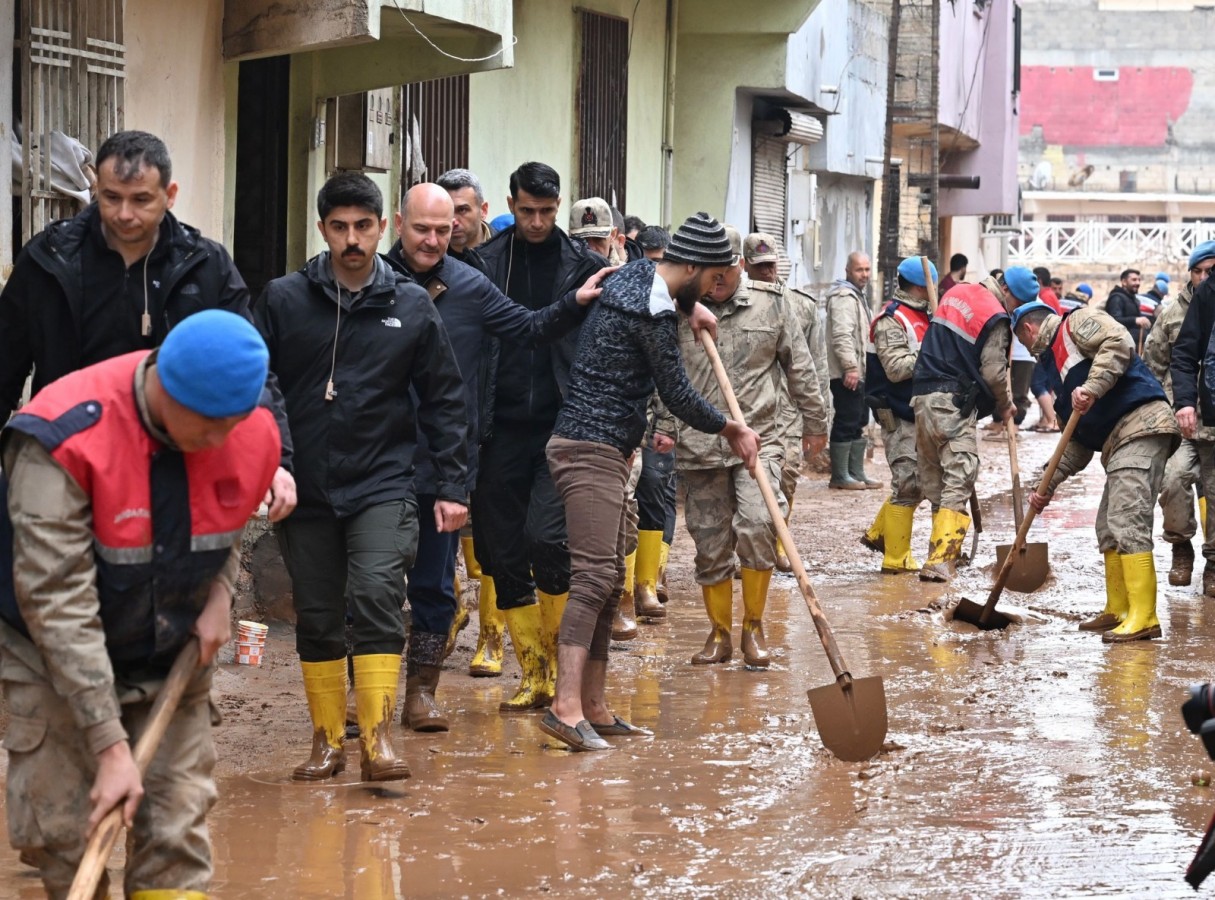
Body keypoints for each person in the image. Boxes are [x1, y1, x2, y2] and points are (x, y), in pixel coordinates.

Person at [0, 310, 281, 898]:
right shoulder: (61, 440)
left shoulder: (245, 432)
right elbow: (56, 602)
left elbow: (223, 526)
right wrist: (108, 743)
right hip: (50, 652)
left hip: (172, 640)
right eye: (204, 426)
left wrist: (222, 592)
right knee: (67, 836)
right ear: (164, 386)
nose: (218, 442)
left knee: (176, 833)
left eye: (230, 426)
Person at [255, 172, 469, 782]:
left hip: (383, 483)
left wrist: (453, 486)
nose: (352, 239)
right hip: (305, 484)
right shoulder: (284, 300)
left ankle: (377, 743)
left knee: (377, 594)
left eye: (363, 226)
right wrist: (273, 463)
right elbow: (259, 386)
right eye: (339, 227)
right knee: (319, 613)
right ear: (322, 229)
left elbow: (446, 400)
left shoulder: (409, 305)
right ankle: (326, 741)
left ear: (382, 228)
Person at [386, 183, 609, 721]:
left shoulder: (470, 283)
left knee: (438, 582)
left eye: (444, 229)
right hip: (380, 454)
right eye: (424, 229)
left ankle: (422, 693)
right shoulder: (370, 282)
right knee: (369, 581)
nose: (436, 239)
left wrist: (575, 301)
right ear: (399, 224)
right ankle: (360, 696)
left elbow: (529, 327)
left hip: (449, 458)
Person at [540, 213, 760, 751]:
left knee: (611, 579)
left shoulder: (636, 274)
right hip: (587, 447)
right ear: (691, 266)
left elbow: (665, 288)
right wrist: (731, 427)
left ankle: (593, 705)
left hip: (606, 447)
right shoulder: (652, 311)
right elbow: (678, 394)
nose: (718, 287)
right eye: (712, 279)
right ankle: (564, 707)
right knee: (593, 578)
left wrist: (694, 307)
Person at [0, 129, 296, 515]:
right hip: (69, 459)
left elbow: (249, 369)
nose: (124, 214)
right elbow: (5, 360)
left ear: (169, 195)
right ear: (97, 189)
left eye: (141, 200)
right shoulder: (49, 261)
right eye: (111, 198)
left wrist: (276, 460)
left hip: (176, 464)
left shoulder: (206, 267)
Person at [656, 225, 827, 668]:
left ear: (739, 265)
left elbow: (801, 369)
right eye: (706, 274)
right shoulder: (676, 310)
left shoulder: (771, 306)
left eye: (721, 273)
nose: (713, 283)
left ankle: (754, 627)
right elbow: (660, 376)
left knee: (757, 526)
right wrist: (661, 426)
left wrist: (815, 423)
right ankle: (719, 633)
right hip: (699, 445)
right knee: (710, 544)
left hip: (761, 439)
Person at [475, 162, 607, 712]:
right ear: (512, 202)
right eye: (526, 210)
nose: (535, 221)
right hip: (496, 425)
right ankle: (532, 671)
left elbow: (629, 317)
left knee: (547, 538)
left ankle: (559, 663)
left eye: (547, 212)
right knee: (499, 550)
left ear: (559, 207)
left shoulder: (585, 266)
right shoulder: (483, 263)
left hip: (563, 424)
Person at [1014, 301, 1179, 642]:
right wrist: (1048, 483)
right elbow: (1076, 444)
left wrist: (1092, 387)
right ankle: (1118, 608)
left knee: (1126, 519)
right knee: (1107, 524)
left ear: (1028, 330)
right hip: (1117, 441)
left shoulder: (1075, 323)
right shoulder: (1053, 371)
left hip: (1142, 424)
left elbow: (1119, 342)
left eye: (1019, 339)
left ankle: (1144, 615)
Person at [910, 266, 1036, 581]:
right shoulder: (996, 317)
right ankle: (941, 559)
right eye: (1016, 303)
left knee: (937, 477)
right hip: (954, 402)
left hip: (922, 398)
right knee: (960, 474)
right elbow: (994, 373)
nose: (1013, 310)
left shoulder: (955, 293)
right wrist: (1007, 406)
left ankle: (941, 551)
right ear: (1006, 291)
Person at [743, 231, 829, 571]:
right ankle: (748, 548)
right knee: (750, 480)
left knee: (787, 475)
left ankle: (778, 539)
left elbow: (814, 367)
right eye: (759, 266)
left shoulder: (800, 306)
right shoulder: (735, 305)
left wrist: (819, 419)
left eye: (771, 265)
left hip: (789, 411)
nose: (766, 272)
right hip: (751, 407)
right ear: (745, 266)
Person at [1144, 242, 1215, 588]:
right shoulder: (1171, 313)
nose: (1204, 278)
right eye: (1198, 271)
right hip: (1181, 418)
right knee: (1172, 481)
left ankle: (1214, 564)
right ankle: (1180, 546)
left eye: (1210, 271)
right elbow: (1153, 366)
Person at [861, 256, 935, 574]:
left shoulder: (925, 316)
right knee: (908, 482)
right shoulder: (893, 320)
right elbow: (895, 369)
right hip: (895, 410)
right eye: (929, 287)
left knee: (918, 483)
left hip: (917, 410)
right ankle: (896, 559)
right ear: (918, 287)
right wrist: (934, 355)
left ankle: (879, 533)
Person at [824, 252, 880, 489]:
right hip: (847, 373)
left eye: (867, 270)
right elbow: (842, 336)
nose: (865, 275)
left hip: (859, 371)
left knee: (858, 419)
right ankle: (839, 476)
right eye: (860, 270)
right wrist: (850, 367)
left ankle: (855, 472)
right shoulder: (844, 297)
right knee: (847, 420)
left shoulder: (857, 296)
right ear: (848, 270)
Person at [435, 167, 492, 271]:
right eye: (447, 211)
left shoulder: (507, 252)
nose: (453, 221)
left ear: (483, 210)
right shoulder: (427, 254)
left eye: (462, 210)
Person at [569, 196, 625, 265]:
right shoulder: (562, 272)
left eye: (598, 239)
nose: (591, 248)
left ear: (612, 235)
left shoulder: (625, 273)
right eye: (583, 240)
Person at [1106, 268, 1150, 346]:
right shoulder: (1117, 298)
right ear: (1124, 282)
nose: (1138, 283)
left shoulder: (1133, 299)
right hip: (1121, 346)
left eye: (1139, 280)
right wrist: (1135, 320)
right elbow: (1114, 320)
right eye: (1134, 280)